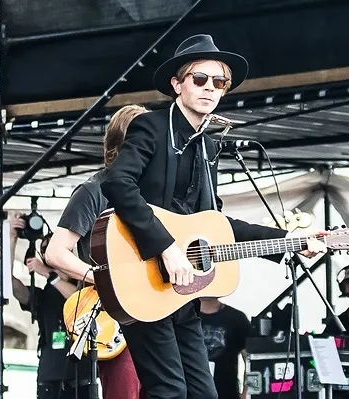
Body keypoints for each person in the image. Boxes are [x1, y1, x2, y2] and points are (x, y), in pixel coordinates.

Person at [98, 34, 327, 399]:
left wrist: (289, 243)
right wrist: (166, 246)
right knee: (168, 389)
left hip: (183, 294)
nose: (210, 88)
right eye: (199, 79)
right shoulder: (152, 128)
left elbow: (216, 224)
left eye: (219, 82)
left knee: (205, 393)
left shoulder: (208, 147)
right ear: (177, 83)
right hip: (140, 276)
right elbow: (117, 182)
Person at [45, 104, 148, 399]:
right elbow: (56, 252)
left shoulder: (156, 192)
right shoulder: (95, 190)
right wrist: (102, 278)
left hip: (158, 312)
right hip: (116, 315)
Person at [9, 212, 90, 399]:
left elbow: (78, 300)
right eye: (45, 249)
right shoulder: (44, 294)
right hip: (49, 378)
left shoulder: (85, 285)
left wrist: (49, 274)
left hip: (80, 378)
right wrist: (12, 237)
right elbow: (9, 283)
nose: (49, 253)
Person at [199, 298, 251, 399]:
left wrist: (246, 392)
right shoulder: (182, 319)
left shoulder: (236, 318)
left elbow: (249, 360)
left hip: (228, 393)